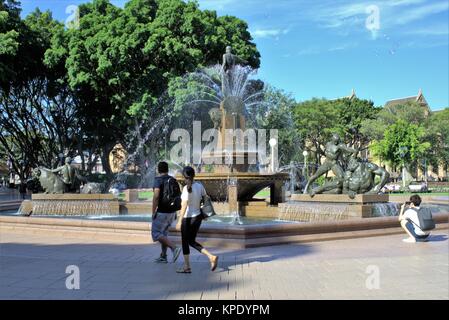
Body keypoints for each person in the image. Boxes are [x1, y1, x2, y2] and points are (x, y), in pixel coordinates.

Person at [175, 166, 218, 273]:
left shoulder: (185, 189)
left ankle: (187, 267)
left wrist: (179, 221)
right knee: (191, 241)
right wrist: (206, 214)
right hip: (197, 217)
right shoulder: (199, 186)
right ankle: (210, 256)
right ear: (193, 175)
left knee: (186, 242)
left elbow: (184, 205)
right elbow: (206, 198)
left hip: (187, 219)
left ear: (185, 177)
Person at [151, 161, 181, 263]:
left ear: (158, 170)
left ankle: (174, 248)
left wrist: (153, 211)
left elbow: (156, 196)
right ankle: (163, 256)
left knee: (155, 233)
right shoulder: (172, 179)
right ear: (167, 169)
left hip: (162, 212)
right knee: (163, 233)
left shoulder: (158, 180)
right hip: (172, 212)